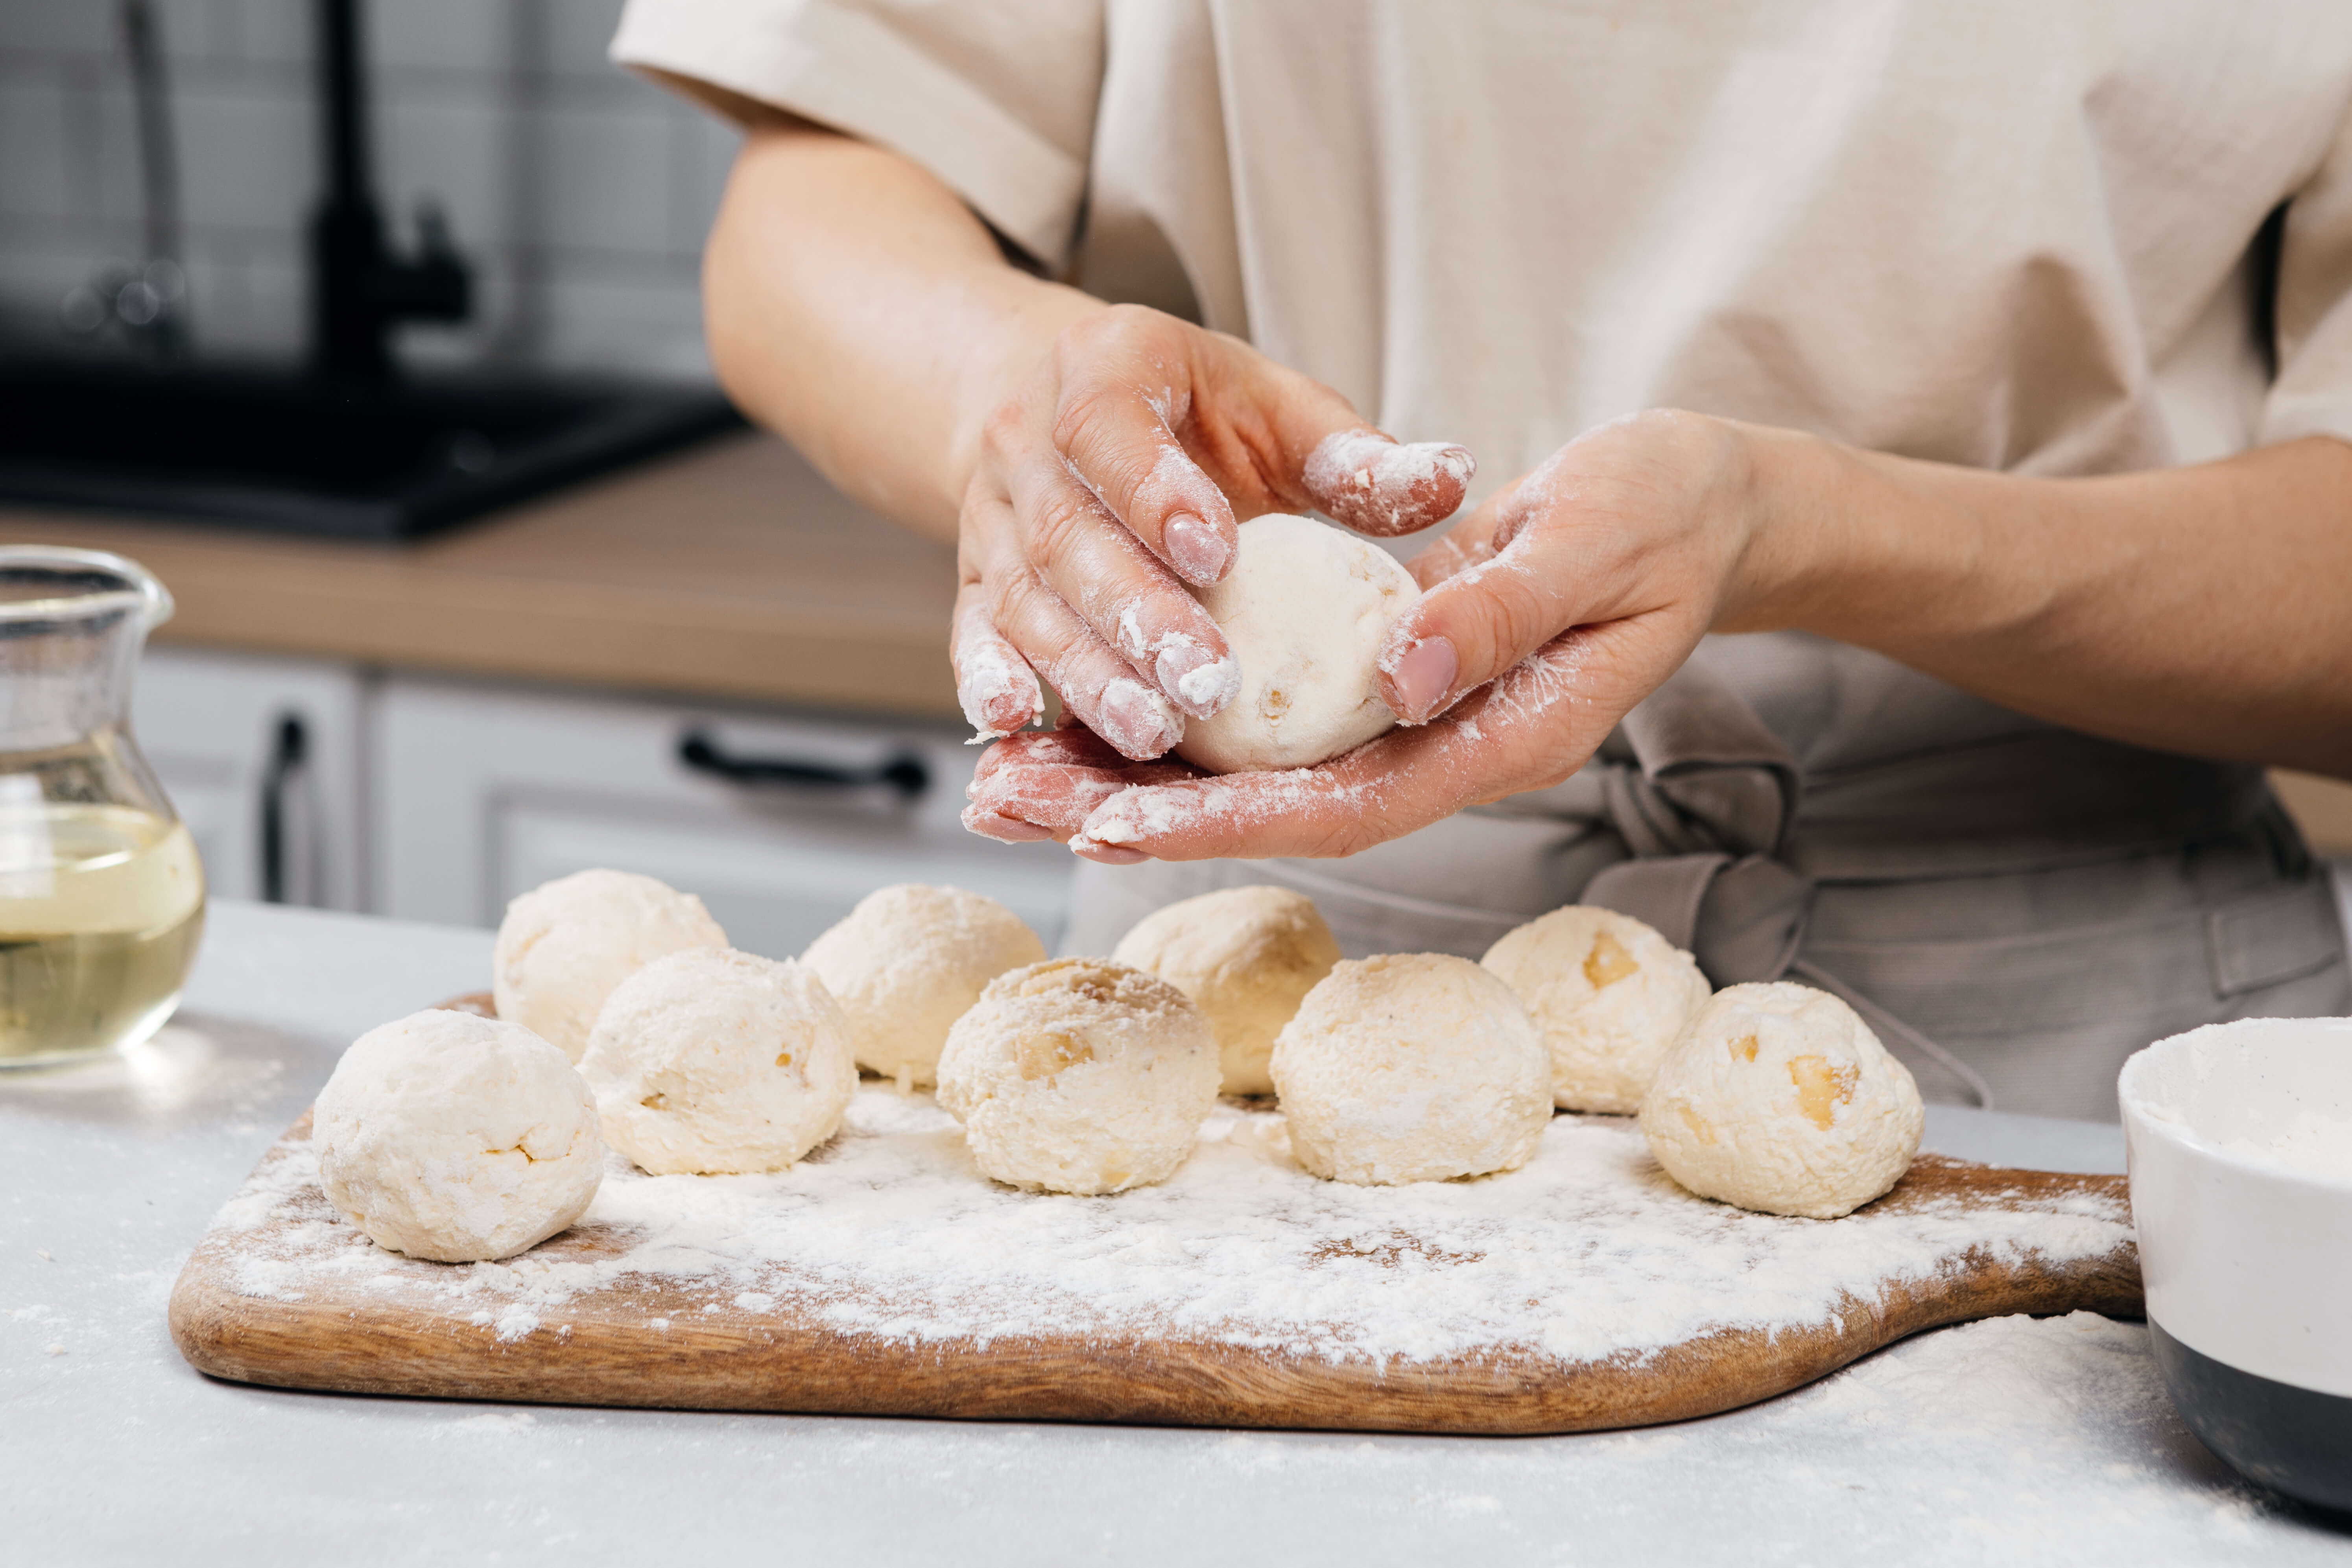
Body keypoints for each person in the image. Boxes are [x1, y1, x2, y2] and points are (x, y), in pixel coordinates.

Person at [613, 1, 2352, 1118]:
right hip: (1238, 1038)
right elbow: (815, 203)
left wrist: (1808, 526)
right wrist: (1022, 400)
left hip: (2068, 1054)